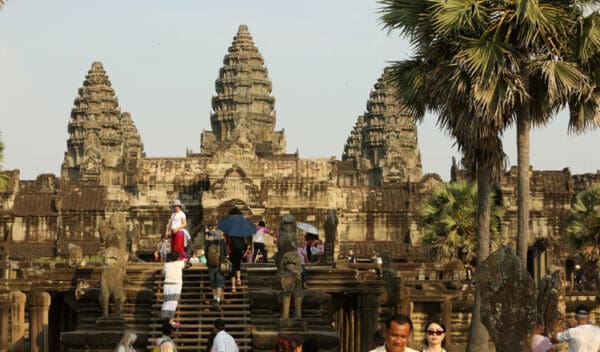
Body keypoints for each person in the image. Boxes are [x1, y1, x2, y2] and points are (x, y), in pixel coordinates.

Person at [160, 251, 187, 322]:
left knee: (167, 301)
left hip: (167, 284)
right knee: (173, 302)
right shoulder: (180, 263)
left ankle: (165, 316)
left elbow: (163, 273)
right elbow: (186, 264)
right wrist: (183, 260)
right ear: (177, 258)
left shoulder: (166, 265)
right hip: (176, 284)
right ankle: (171, 320)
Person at [205, 231, 227, 305]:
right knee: (219, 282)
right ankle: (218, 299)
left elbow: (206, 254)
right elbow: (226, 254)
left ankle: (214, 299)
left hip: (210, 265)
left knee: (213, 282)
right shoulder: (222, 243)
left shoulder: (208, 243)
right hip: (220, 265)